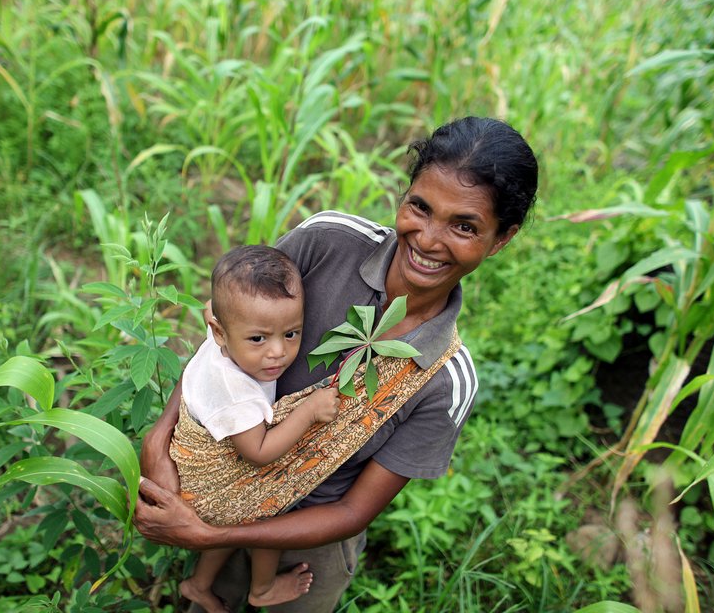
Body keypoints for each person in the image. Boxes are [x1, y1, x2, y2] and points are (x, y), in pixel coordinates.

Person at [135, 116, 539, 612]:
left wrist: (206, 535)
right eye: (420, 207)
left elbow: (352, 510)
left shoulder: (444, 381)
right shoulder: (328, 242)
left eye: (464, 226)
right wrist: (159, 434)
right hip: (215, 485)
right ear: (404, 194)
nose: (429, 240)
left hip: (305, 548)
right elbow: (228, 332)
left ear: (501, 239)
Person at [171, 245, 342, 612]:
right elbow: (259, 453)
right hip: (204, 482)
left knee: (229, 515)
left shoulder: (227, 329)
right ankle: (261, 589)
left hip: (205, 485)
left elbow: (211, 309)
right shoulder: (237, 393)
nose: (277, 352)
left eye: (292, 333)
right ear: (219, 331)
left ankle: (198, 585)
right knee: (267, 510)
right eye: (259, 339)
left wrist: (253, 336)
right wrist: (308, 411)